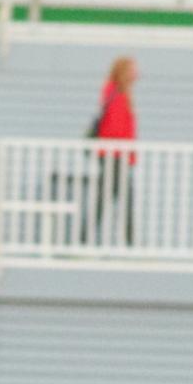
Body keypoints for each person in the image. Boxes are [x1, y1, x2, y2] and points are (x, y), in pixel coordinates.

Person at [85, 56, 137, 247]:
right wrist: (125, 151)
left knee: (108, 199)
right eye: (133, 69)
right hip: (114, 157)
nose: (136, 74)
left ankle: (85, 239)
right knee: (120, 200)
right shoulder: (115, 92)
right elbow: (115, 128)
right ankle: (129, 244)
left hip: (117, 156)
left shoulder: (120, 93)